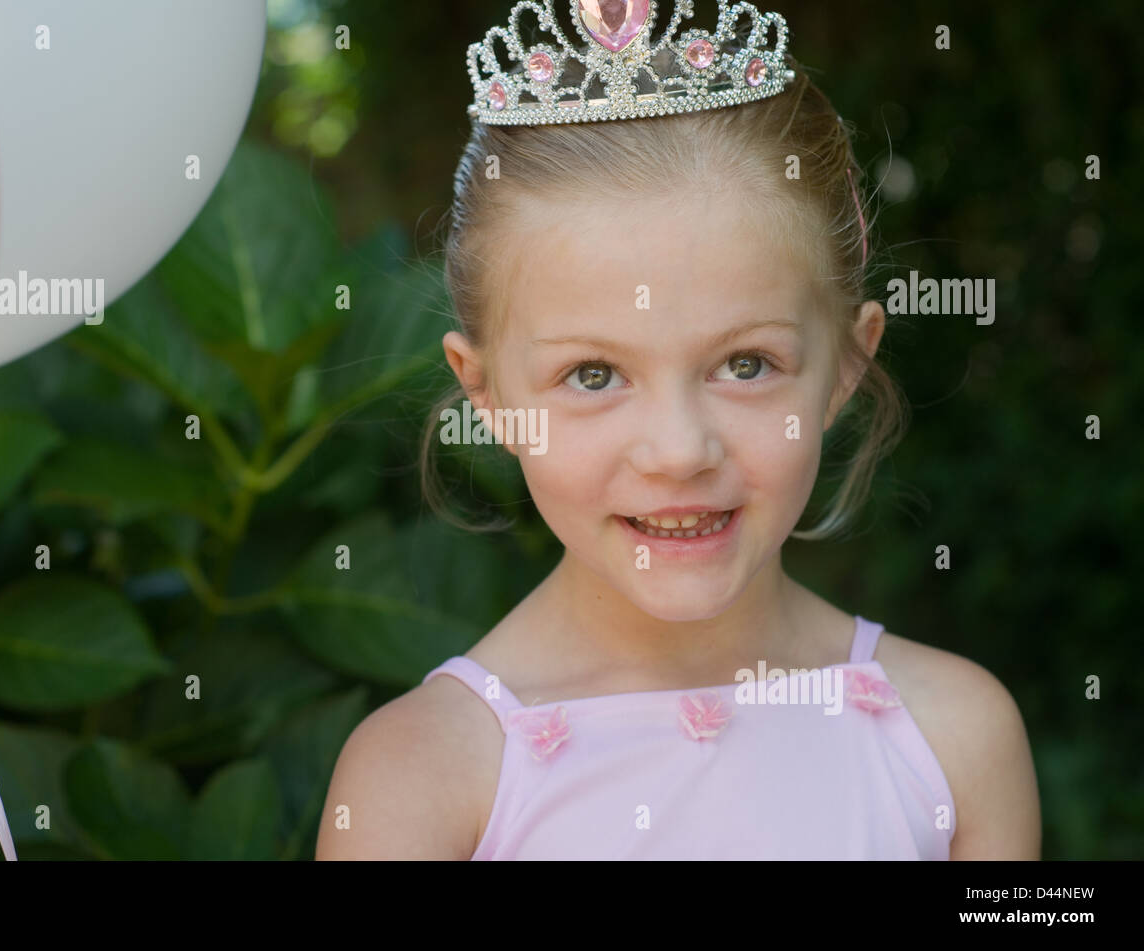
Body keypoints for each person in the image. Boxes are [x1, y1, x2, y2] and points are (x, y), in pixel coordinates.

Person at [316, 0, 1040, 860]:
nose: (679, 451)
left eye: (744, 365)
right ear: (489, 395)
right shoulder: (422, 780)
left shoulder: (956, 738)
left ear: (847, 364)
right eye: (593, 375)